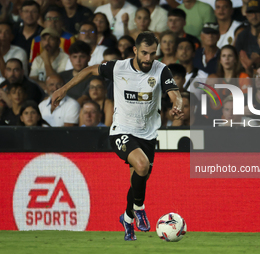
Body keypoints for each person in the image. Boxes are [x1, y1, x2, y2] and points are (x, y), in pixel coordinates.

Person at [51, 31, 183, 241]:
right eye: (145, 53)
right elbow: (89, 70)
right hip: (121, 130)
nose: (149, 58)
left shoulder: (161, 70)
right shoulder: (118, 67)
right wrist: (64, 88)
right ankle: (139, 208)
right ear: (135, 51)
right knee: (142, 166)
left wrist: (177, 105)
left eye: (152, 54)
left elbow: (174, 94)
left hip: (147, 135)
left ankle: (127, 220)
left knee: (139, 179)